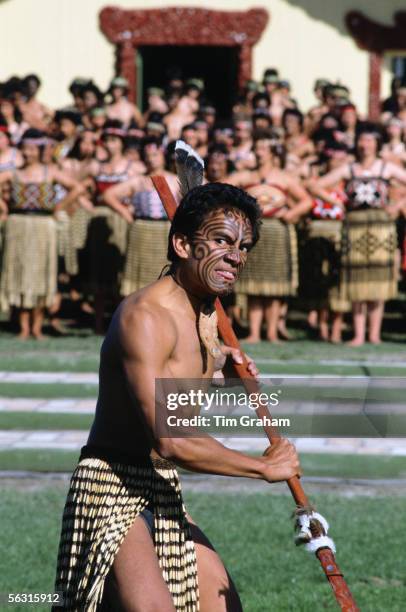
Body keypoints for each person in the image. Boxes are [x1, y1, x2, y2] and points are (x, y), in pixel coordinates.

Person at [53, 182, 301, 611]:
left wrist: (224, 373)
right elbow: (173, 438)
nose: (236, 256)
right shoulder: (146, 317)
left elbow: (179, 384)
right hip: (112, 489)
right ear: (183, 244)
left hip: (162, 485)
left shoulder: (203, 311)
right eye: (222, 241)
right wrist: (262, 467)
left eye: (243, 246)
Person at [312, 126, 406, 345]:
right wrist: (337, 202)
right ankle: (358, 334)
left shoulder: (386, 168)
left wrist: (398, 204)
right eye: (362, 140)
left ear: (377, 144)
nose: (365, 145)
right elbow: (315, 185)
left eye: (369, 140)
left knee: (378, 281)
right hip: (354, 226)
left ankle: (374, 334)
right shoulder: (349, 168)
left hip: (381, 226)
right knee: (357, 280)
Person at [229, 136, 312, 342]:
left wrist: (292, 213)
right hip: (252, 230)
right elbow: (219, 190)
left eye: (264, 148)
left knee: (274, 286)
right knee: (254, 285)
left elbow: (306, 201)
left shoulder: (284, 178)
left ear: (273, 153)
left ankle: (272, 332)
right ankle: (255, 332)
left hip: (276, 230)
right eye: (257, 147)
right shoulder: (244, 176)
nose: (259, 152)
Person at [0, 128, 81, 338]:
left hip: (43, 225)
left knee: (41, 275)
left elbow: (77, 188)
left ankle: (37, 327)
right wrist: (3, 207)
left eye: (31, 149)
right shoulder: (13, 173)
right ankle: (23, 327)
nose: (27, 153)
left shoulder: (50, 172)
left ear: (39, 150)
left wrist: (59, 207)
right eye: (24, 149)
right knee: (20, 274)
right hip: (18, 225)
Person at [104, 137, 179, 296]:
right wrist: (126, 213)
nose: (151, 159)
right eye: (148, 156)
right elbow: (109, 195)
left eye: (155, 155)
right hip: (142, 230)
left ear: (163, 156)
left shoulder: (174, 179)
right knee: (141, 273)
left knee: (163, 269)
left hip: (166, 230)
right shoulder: (138, 181)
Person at [84, 121, 139, 332]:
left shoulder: (132, 168)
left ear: (122, 143)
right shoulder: (96, 167)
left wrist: (130, 211)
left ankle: (119, 322)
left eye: (114, 140)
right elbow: (81, 189)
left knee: (120, 270)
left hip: (122, 220)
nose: (109, 144)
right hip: (100, 221)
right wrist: (89, 206)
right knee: (100, 272)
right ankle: (98, 323)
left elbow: (138, 191)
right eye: (106, 140)